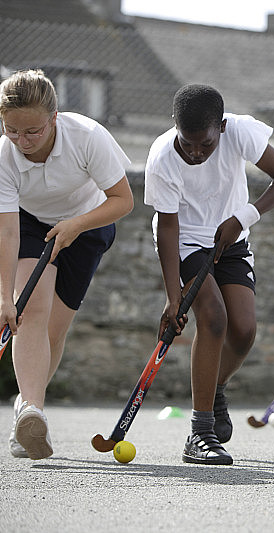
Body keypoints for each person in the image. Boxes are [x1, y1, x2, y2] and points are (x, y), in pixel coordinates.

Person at [144, 84, 274, 465]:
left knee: (244, 331)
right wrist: (172, 295)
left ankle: (213, 389)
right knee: (213, 319)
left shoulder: (241, 131)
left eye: (206, 145)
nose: (196, 153)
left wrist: (244, 216)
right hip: (186, 242)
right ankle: (200, 432)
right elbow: (167, 228)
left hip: (232, 236)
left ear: (222, 128)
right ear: (175, 128)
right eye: (188, 144)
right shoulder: (163, 157)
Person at [0, 69, 134, 459]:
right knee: (30, 313)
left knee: (55, 333)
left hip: (89, 222)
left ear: (54, 118)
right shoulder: (5, 156)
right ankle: (32, 411)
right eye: (12, 130)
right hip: (29, 223)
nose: (22, 142)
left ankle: (24, 410)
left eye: (32, 132)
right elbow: (7, 233)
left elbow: (122, 201)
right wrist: (4, 297)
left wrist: (75, 225)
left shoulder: (88, 137)